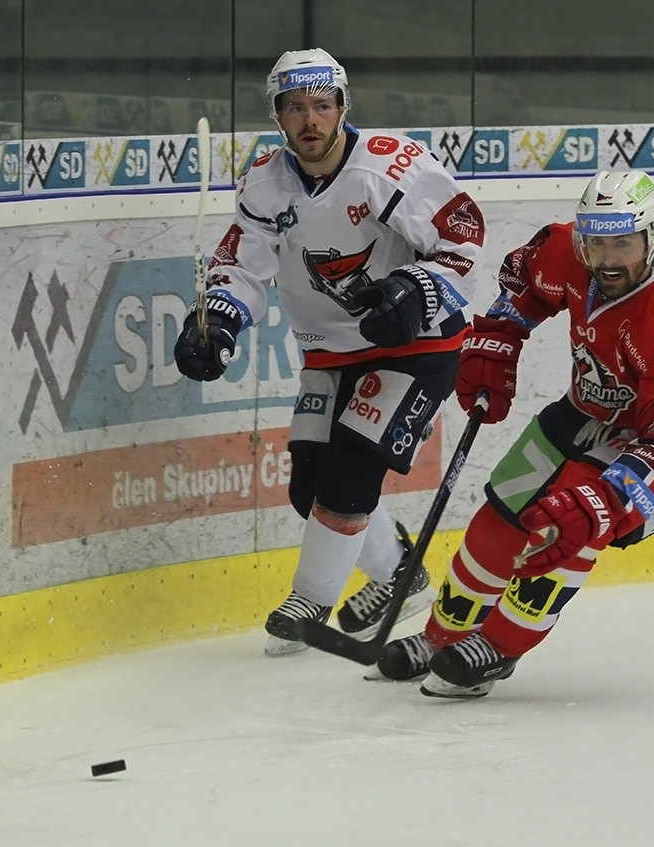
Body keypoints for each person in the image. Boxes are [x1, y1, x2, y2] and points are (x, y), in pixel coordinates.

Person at [373, 169, 654, 698]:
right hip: (589, 407)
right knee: (501, 517)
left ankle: (498, 647)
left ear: (653, 237)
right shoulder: (564, 253)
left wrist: (607, 498)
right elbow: (525, 283)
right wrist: (500, 337)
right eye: (597, 242)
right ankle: (442, 636)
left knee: (568, 525)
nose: (608, 258)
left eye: (623, 243)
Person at [173, 48, 486, 656]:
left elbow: (463, 236)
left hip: (415, 345)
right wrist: (217, 320)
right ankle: (399, 574)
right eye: (295, 107)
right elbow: (243, 264)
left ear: (343, 107)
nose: (309, 119)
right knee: (309, 491)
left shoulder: (388, 168)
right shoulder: (266, 182)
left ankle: (309, 601)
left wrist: (415, 288)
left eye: (321, 105)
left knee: (349, 473)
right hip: (332, 355)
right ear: (277, 116)